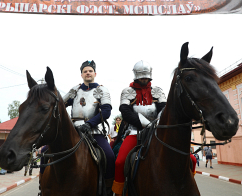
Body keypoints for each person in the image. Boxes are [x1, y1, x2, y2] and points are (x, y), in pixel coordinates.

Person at [112, 60, 167, 196]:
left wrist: (157, 124)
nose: (144, 78)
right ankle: (118, 192)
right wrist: (147, 125)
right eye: (141, 76)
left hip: (156, 132)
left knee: (189, 158)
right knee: (120, 162)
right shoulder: (127, 91)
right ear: (136, 75)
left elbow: (164, 109)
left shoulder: (157, 91)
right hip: (135, 131)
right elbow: (126, 112)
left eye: (146, 76)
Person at [63, 60, 115, 196]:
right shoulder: (74, 90)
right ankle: (43, 187)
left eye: (90, 71)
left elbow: (106, 111)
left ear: (95, 74)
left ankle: (108, 190)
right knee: (46, 152)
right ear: (81, 75)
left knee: (109, 156)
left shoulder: (101, 90)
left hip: (94, 131)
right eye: (85, 71)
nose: (88, 73)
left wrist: (90, 124)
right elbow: (59, 106)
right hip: (73, 131)